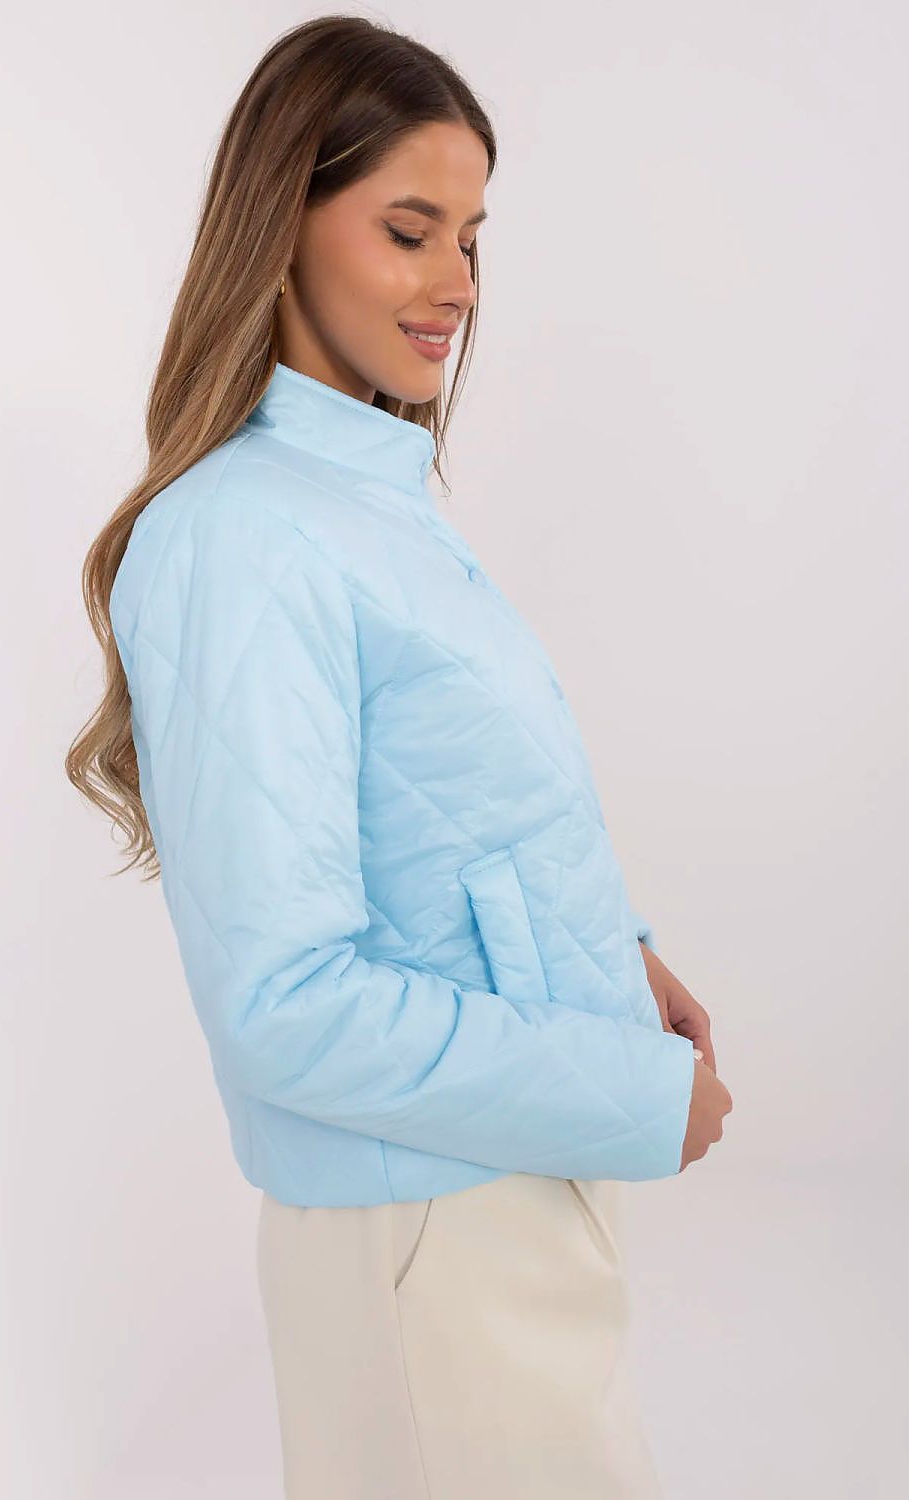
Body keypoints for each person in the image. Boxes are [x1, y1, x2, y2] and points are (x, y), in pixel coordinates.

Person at [65, 14, 733, 1498]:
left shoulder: (367, 497)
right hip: (433, 1237)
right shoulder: (241, 535)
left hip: (494, 1196)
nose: (458, 286)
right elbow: (286, 1005)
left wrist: (612, 959)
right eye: (410, 231)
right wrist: (630, 1093)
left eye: (472, 240)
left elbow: (446, 824)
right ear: (282, 228)